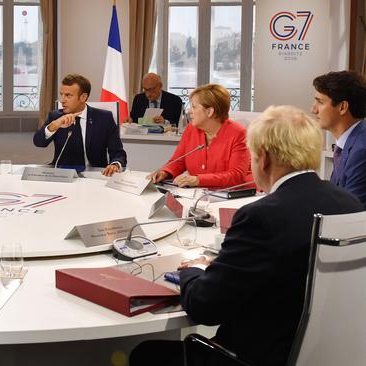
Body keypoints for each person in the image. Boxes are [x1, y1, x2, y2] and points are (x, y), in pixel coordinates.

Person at [130, 105, 363, 366]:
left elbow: (205, 307)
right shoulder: (350, 203)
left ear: (262, 158)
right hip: (327, 352)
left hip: (255, 356)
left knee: (144, 354)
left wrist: (193, 270)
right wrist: (226, 266)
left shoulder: (261, 217)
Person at [148, 84, 251, 189]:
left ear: (209, 111)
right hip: (200, 195)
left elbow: (236, 175)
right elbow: (179, 161)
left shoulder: (239, 134)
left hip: (234, 197)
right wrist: (164, 172)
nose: (189, 111)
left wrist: (198, 180)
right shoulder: (191, 129)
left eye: (194, 107)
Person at [33, 73, 127, 177]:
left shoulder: (104, 118)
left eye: (68, 95)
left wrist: (115, 164)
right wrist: (54, 125)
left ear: (83, 97)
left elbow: (118, 153)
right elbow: (38, 142)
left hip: (95, 177)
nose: (63, 100)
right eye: (62, 94)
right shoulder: (56, 117)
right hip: (64, 176)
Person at [312, 70, 366, 208]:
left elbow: (351, 209)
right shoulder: (349, 143)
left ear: (342, 107)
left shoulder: (361, 150)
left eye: (320, 102)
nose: (314, 110)